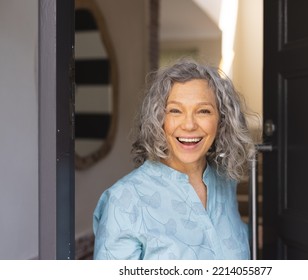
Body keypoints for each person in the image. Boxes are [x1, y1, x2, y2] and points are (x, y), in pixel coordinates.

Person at [93, 59, 256, 260]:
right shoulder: (124, 201)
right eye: (175, 111)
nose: (189, 125)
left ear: (221, 120)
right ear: (158, 120)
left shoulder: (225, 182)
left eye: (203, 111)